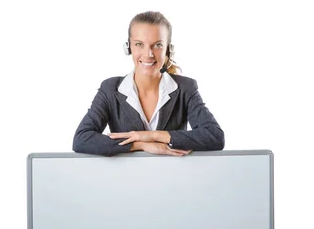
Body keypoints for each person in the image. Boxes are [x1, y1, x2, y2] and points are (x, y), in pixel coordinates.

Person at [73, 11, 224, 156]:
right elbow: (81, 139)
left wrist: (152, 135)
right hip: (126, 179)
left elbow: (214, 136)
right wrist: (140, 144)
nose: (148, 54)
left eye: (157, 45)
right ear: (128, 48)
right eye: (139, 44)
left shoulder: (186, 89)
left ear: (168, 50)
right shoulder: (110, 89)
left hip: (173, 178)